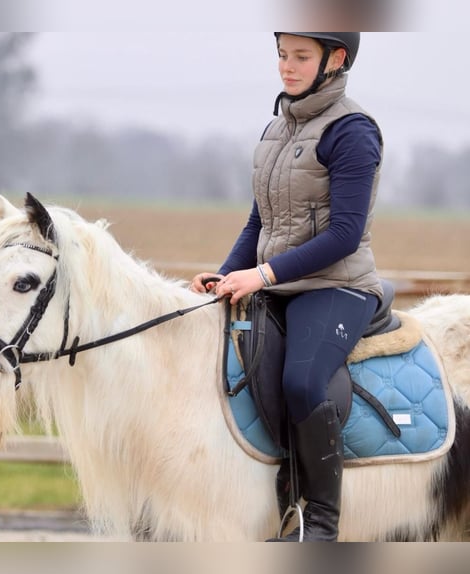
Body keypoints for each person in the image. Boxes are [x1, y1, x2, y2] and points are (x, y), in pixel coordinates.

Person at [191, 33, 383, 542]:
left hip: (336, 287)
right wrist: (226, 271)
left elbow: (344, 236)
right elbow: (260, 220)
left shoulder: (353, 131)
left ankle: (320, 521)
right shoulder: (276, 129)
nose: (287, 67)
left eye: (300, 57)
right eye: (282, 55)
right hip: (276, 285)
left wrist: (264, 275)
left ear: (335, 59)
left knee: (301, 382)